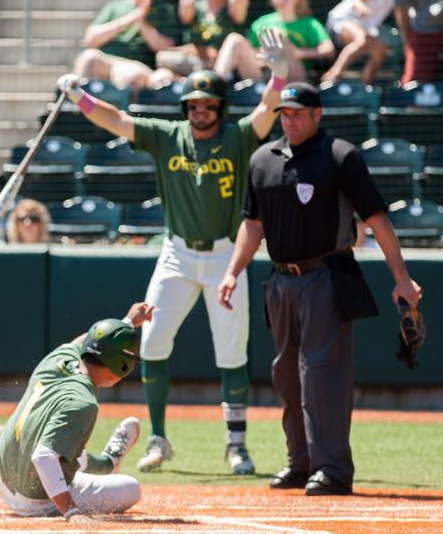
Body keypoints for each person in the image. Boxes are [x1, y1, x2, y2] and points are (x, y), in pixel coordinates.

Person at [56, 29, 289, 476]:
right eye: (195, 105)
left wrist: (277, 78)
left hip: (225, 255)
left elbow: (265, 113)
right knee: (153, 340)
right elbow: (118, 120)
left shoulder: (238, 137)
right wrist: (80, 97)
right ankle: (160, 438)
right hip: (178, 253)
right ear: (186, 108)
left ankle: (236, 445)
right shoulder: (168, 135)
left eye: (209, 104)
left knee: (232, 352)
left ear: (220, 107)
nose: (201, 111)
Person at [217, 81, 423, 496]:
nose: (289, 120)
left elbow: (378, 220)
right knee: (286, 375)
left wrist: (401, 278)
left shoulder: (340, 156)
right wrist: (232, 271)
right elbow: (252, 224)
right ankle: (302, 461)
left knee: (322, 375)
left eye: (297, 113)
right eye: (284, 113)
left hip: (326, 276)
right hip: (280, 280)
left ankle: (332, 468)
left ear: (317, 115)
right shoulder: (263, 159)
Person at [0, 302, 153, 519]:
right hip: (34, 500)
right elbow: (43, 457)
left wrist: (127, 322)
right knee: (131, 487)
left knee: (67, 444)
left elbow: (85, 341)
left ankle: (102, 464)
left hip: (4, 475)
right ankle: (109, 462)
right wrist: (71, 510)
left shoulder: (56, 360)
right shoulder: (84, 402)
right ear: (123, 366)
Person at [215, 0, 334, 82]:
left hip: (295, 78)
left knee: (276, 35)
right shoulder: (262, 23)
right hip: (263, 75)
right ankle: (216, 84)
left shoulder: (309, 23)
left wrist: (298, 53)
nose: (280, 0)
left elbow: (328, 49)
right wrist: (266, 54)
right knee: (234, 40)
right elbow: (251, 51)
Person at [72, 0, 178, 92]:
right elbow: (91, 40)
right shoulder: (115, 6)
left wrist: (141, 20)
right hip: (107, 61)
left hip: (140, 67)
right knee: (88, 58)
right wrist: (132, 17)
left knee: (130, 76)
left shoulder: (163, 9)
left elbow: (166, 48)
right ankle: (78, 109)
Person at [158, 0, 248, 75]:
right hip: (193, 62)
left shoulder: (232, 7)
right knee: (162, 63)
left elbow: (240, 0)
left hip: (225, 67)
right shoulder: (194, 6)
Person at [322, 0, 395, 85]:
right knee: (361, 40)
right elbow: (357, 0)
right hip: (342, 20)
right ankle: (332, 76)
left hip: (363, 28)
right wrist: (361, 6)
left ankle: (365, 84)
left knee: (381, 48)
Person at [394, 0, 443, 84]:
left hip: (422, 33)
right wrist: (409, 45)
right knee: (413, 85)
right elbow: (402, 10)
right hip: (422, 35)